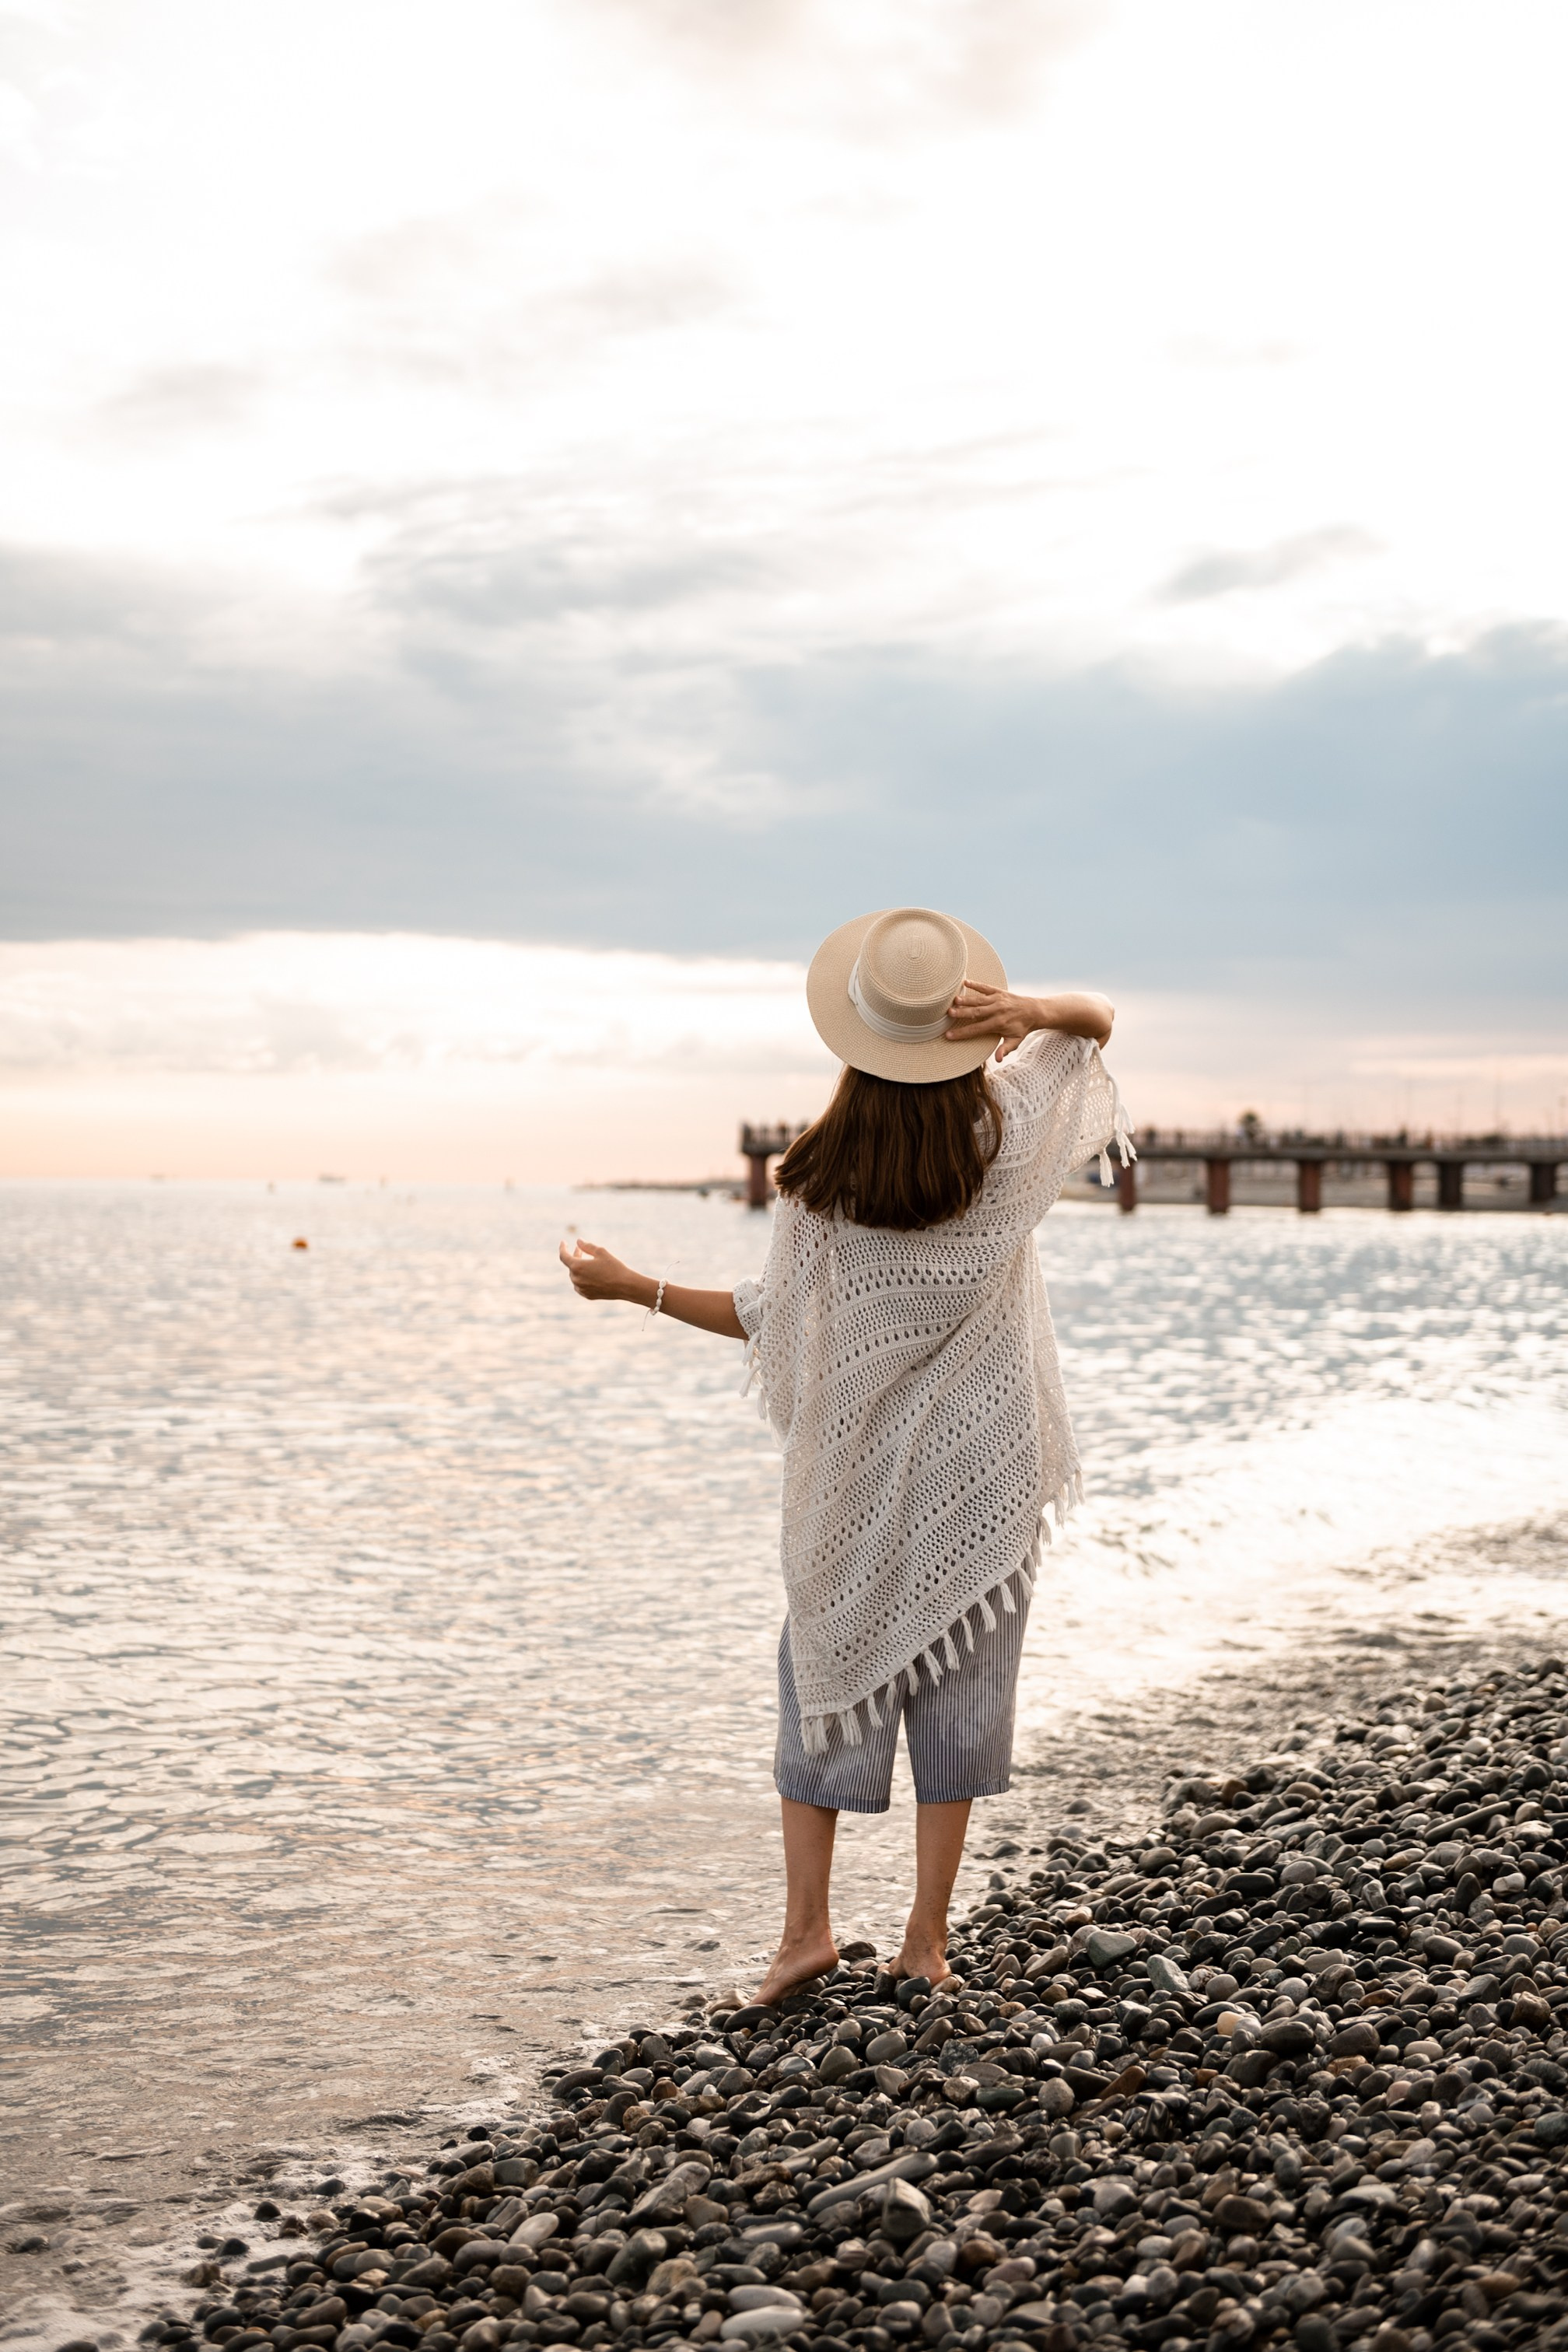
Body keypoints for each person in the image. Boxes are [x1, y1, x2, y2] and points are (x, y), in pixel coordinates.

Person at [559, 905, 1129, 2003]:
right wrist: (1033, 1009)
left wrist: (633, 1286)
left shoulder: (819, 1176)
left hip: (858, 1479)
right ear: (965, 1029)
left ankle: (804, 1935)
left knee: (822, 1676)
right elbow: (1096, 1024)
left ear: (855, 1038)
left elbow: (772, 1320)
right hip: (985, 1466)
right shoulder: (1007, 1138)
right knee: (963, 1693)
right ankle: (925, 1941)